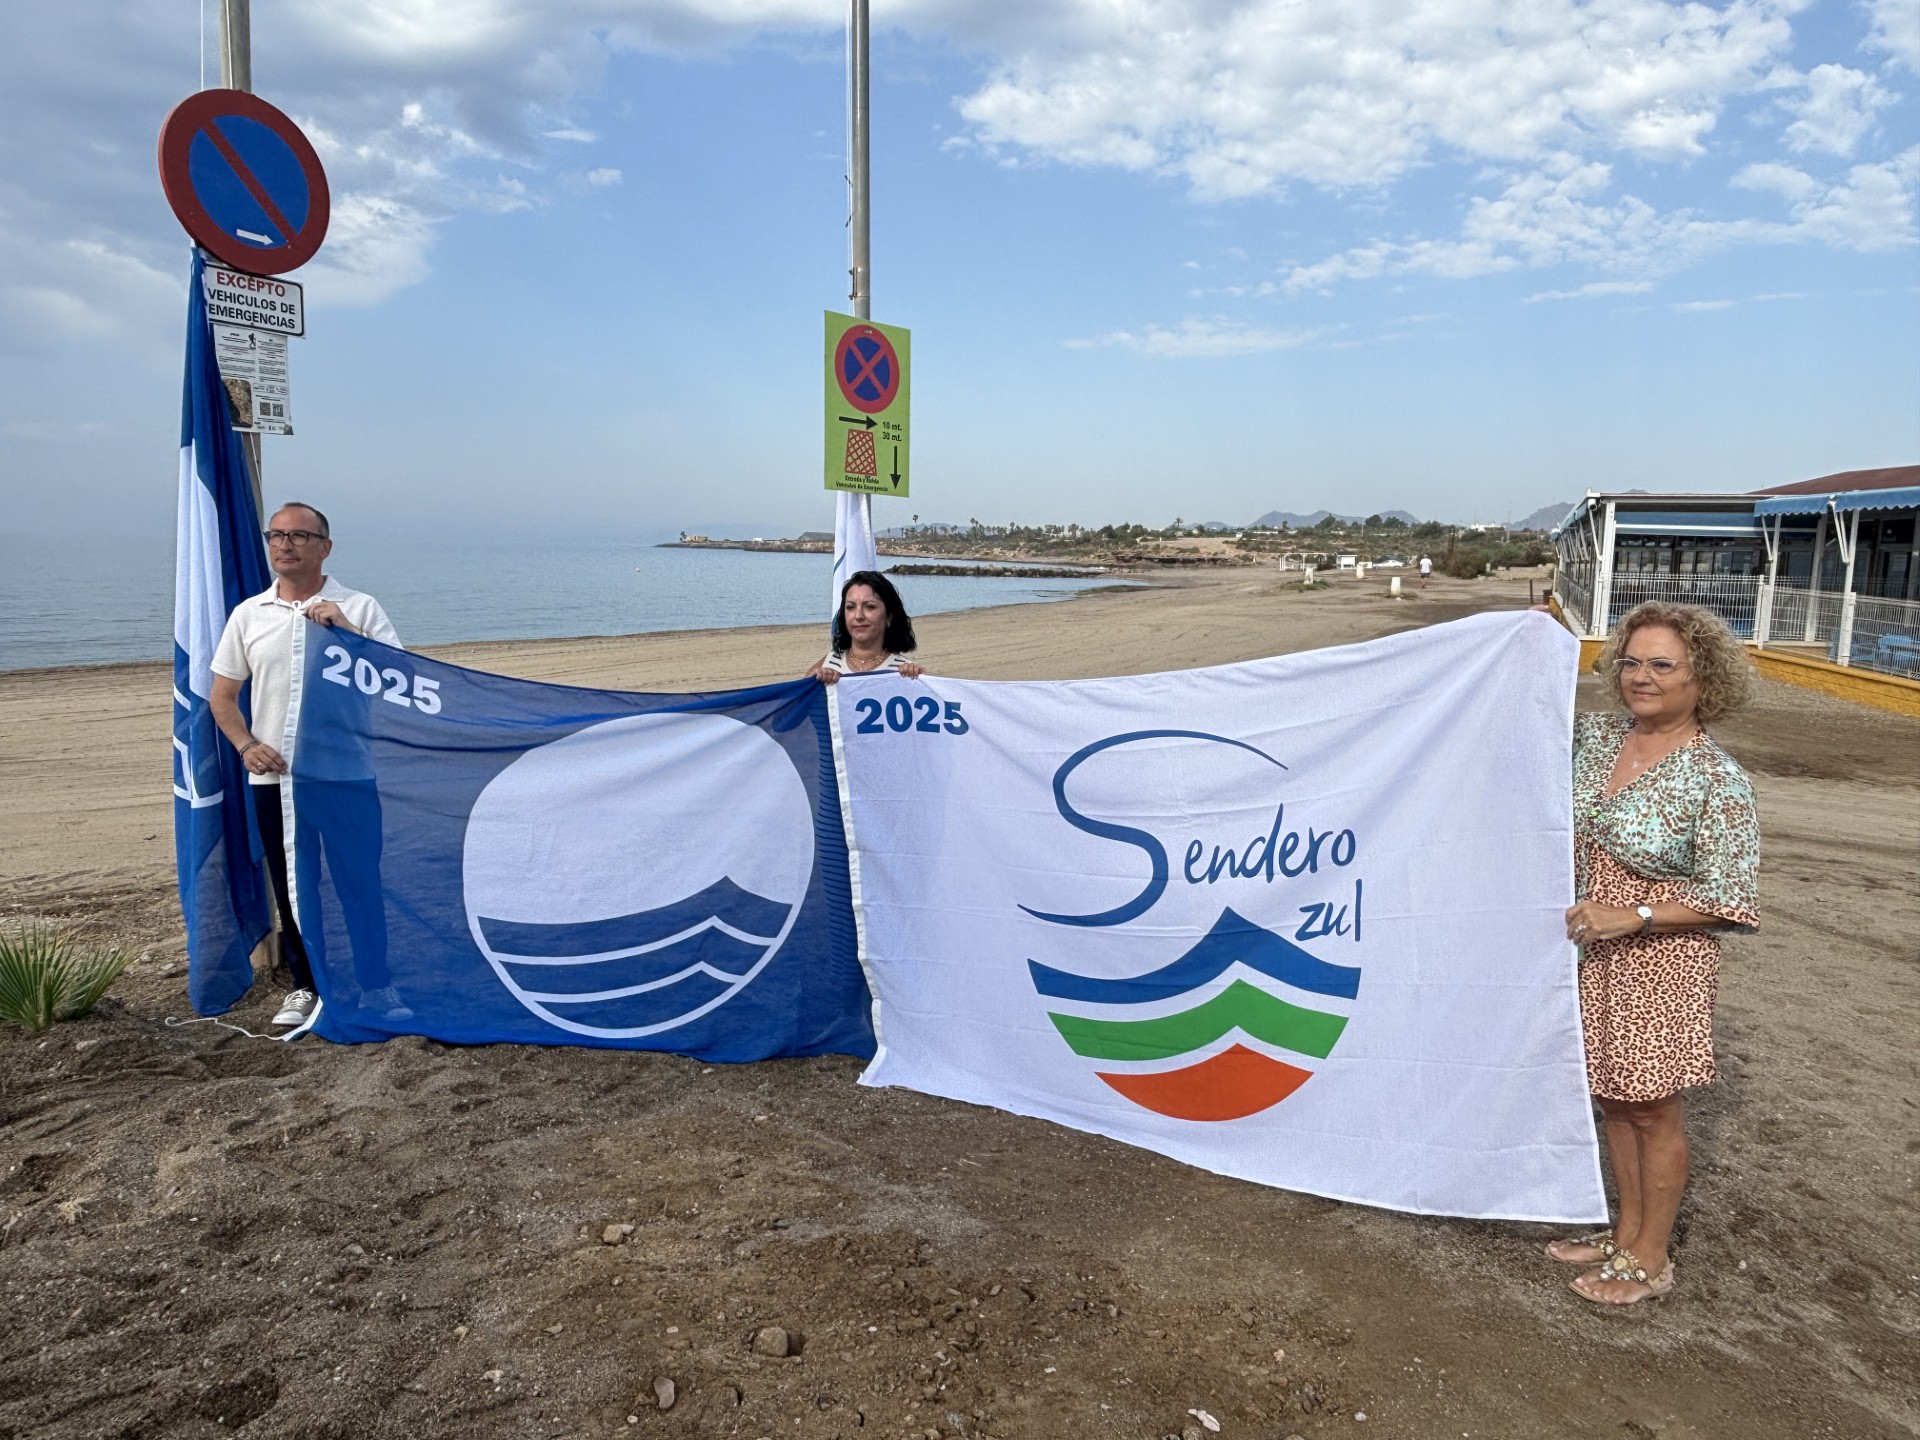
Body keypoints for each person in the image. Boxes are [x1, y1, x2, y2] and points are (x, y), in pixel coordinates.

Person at [1547, 602, 1759, 1305]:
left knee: (1652, 1109)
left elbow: (1729, 898)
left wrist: (1632, 916)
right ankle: (1621, 1232)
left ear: (1703, 679)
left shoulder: (1716, 779)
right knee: (1611, 1099)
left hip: (1658, 960)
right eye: (1631, 661)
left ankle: (1651, 1256)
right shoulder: (1598, 738)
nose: (1642, 677)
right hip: (1586, 952)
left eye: (1663, 664)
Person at [209, 503, 406, 1027]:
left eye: (299, 534)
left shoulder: (359, 608)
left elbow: (395, 681)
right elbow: (223, 697)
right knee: (294, 881)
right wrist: (247, 745)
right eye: (276, 535)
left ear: (325, 546)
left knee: (359, 881)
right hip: (276, 778)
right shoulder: (249, 614)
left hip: (346, 774)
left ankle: (376, 983)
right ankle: (305, 984)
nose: (285, 544)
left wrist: (346, 633)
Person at [807, 570, 926, 684]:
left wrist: (922, 681)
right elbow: (796, 701)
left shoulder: (905, 673)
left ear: (889, 617)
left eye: (869, 606)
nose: (858, 616)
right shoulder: (828, 664)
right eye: (850, 607)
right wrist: (814, 682)